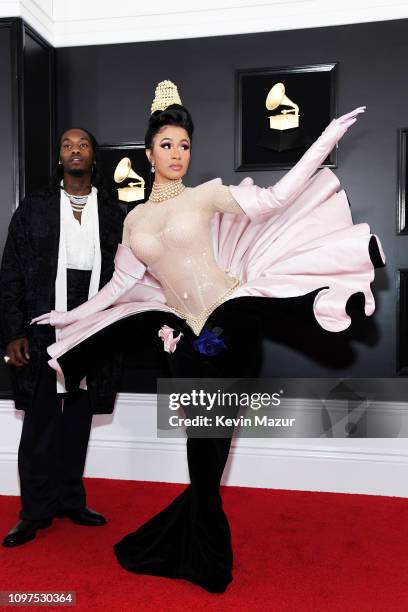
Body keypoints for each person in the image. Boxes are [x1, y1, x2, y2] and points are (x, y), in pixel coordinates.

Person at [32, 81, 384, 592]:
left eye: (185, 146)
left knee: (211, 444)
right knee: (203, 447)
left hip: (231, 323)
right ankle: (184, 542)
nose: (178, 154)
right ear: (149, 152)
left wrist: (325, 139)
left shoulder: (207, 196)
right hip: (180, 338)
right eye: (168, 145)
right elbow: (118, 287)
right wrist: (69, 317)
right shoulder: (133, 222)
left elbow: (277, 197)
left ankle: (208, 560)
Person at [0, 127, 125, 547]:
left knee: (76, 420)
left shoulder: (112, 211)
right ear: (59, 158)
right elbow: (11, 273)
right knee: (39, 422)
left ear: (93, 158)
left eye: (83, 145)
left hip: (93, 326)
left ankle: (71, 500)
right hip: (41, 327)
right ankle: (33, 512)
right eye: (67, 146)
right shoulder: (34, 207)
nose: (75, 150)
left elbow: (127, 276)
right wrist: (14, 332)